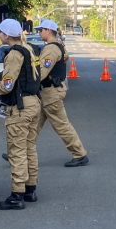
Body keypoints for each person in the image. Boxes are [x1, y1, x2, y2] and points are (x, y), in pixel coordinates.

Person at [0, 18, 41, 210]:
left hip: (20, 108)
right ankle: (30, 189)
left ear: (5, 35)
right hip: (34, 103)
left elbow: (7, 86)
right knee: (30, 148)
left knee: (17, 151)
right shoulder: (28, 49)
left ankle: (16, 195)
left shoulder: (13, 54)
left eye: (0, 32)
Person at [36, 19, 89, 167]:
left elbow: (42, 72)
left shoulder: (51, 49)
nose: (39, 33)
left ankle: (80, 154)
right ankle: (19, 152)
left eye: (41, 30)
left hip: (50, 94)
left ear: (48, 31)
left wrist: (27, 83)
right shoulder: (58, 46)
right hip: (48, 93)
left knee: (62, 126)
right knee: (33, 125)